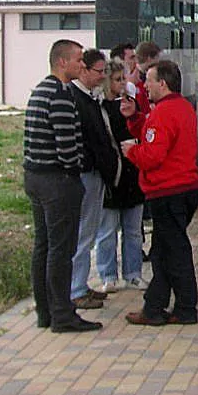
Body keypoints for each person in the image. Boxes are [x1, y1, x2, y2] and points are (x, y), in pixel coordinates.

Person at [23, 39, 101, 333]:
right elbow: (68, 148)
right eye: (79, 60)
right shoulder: (60, 95)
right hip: (57, 181)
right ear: (62, 62)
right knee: (61, 250)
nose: (83, 64)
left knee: (43, 246)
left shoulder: (40, 90)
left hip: (35, 176)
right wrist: (75, 175)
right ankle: (63, 315)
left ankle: (46, 312)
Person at [121, 60, 198, 325]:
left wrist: (132, 151)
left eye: (150, 81)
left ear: (162, 83)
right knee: (163, 251)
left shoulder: (162, 113)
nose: (145, 86)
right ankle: (154, 305)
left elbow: (153, 155)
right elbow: (157, 134)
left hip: (167, 191)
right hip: (184, 188)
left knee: (172, 253)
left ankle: (184, 308)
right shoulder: (182, 107)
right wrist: (135, 119)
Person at [94, 59, 147, 293]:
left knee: (133, 230)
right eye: (117, 80)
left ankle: (133, 273)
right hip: (112, 175)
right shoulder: (100, 108)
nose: (122, 84)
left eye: (123, 79)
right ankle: (108, 275)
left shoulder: (130, 105)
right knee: (107, 231)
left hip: (132, 172)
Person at [68, 48, 115, 311]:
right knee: (83, 234)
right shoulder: (76, 99)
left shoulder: (90, 97)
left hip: (95, 172)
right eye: (99, 71)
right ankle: (76, 289)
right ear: (84, 70)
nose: (102, 76)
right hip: (86, 172)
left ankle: (81, 284)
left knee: (89, 231)